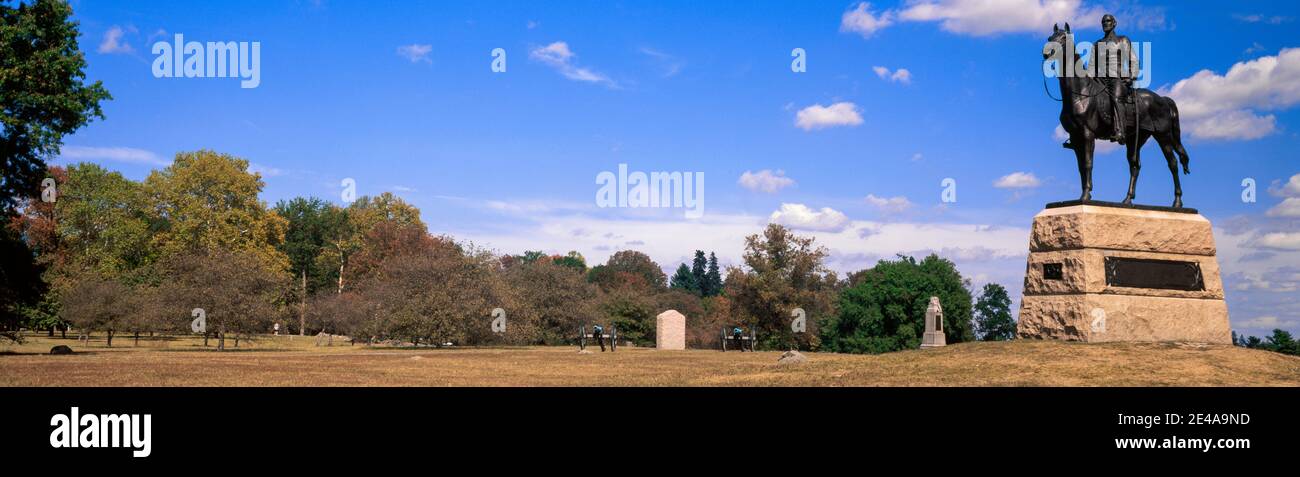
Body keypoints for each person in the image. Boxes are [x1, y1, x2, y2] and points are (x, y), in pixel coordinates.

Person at [1094, 14, 1137, 144]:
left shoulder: (1123, 40)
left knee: (1117, 98)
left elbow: (1133, 60)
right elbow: (1092, 66)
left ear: (1114, 23)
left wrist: (1132, 76)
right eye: (1103, 22)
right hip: (1099, 79)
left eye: (1107, 21)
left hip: (1117, 78)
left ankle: (1120, 131)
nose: (1105, 23)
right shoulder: (1097, 44)